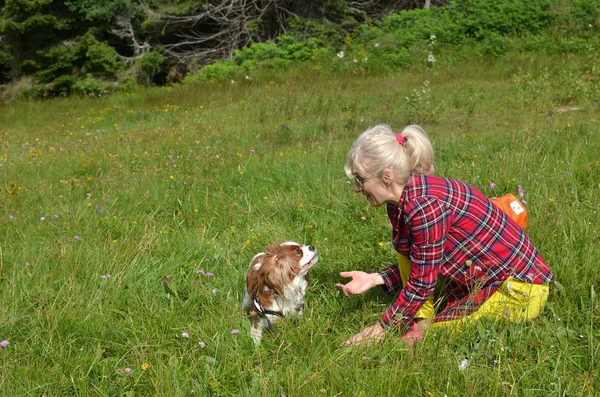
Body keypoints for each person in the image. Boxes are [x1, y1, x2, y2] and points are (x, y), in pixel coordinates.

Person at [336, 124, 554, 346]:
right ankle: (422, 321)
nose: (356, 188)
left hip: (518, 289)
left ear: (386, 177)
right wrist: (375, 278)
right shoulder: (401, 203)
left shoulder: (424, 207)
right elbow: (422, 259)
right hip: (484, 278)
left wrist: (379, 330)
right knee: (415, 334)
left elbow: (422, 283)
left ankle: (422, 326)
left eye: (360, 180)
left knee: (423, 341)